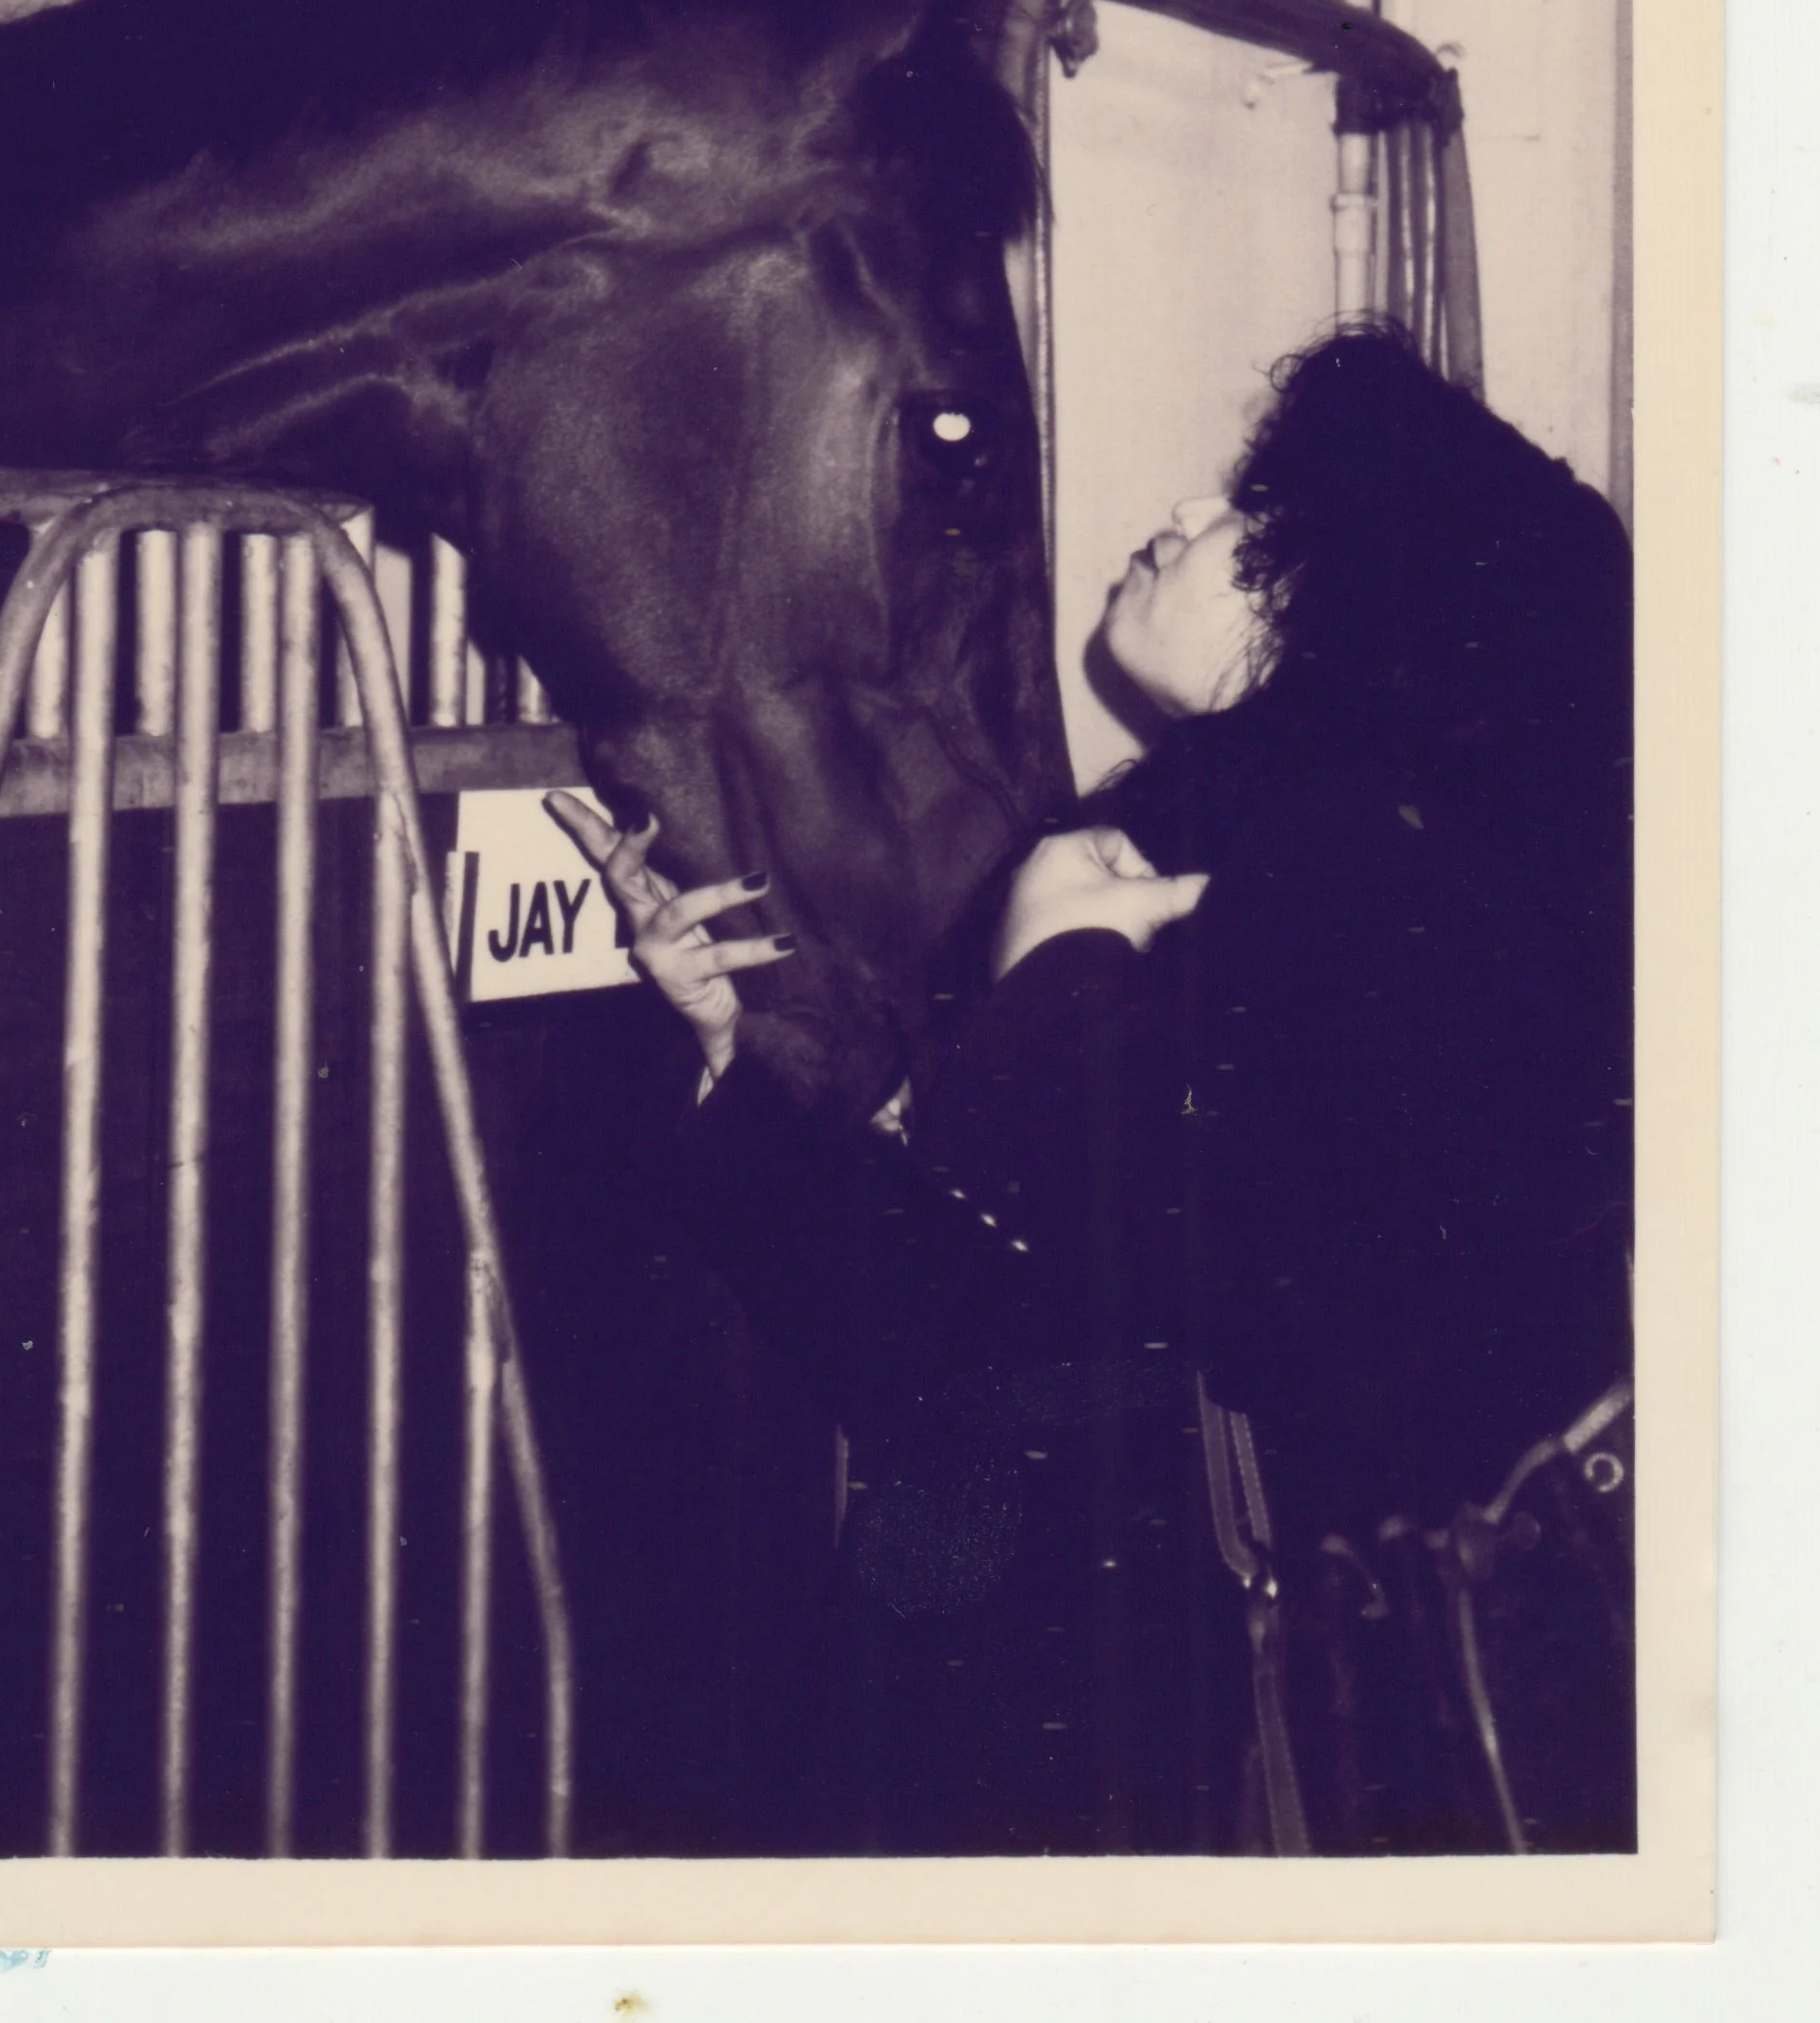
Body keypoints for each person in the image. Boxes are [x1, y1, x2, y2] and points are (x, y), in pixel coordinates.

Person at [552, 327, 1635, 1857]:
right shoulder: (1202, 852)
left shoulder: (1386, 886)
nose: (1183, 515)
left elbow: (1250, 1308)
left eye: (1249, 513)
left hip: (1182, 1765)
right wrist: (729, 1039)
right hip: (1069, 1721)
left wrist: (1059, 974)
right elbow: (962, 1343)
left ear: (1353, 594)